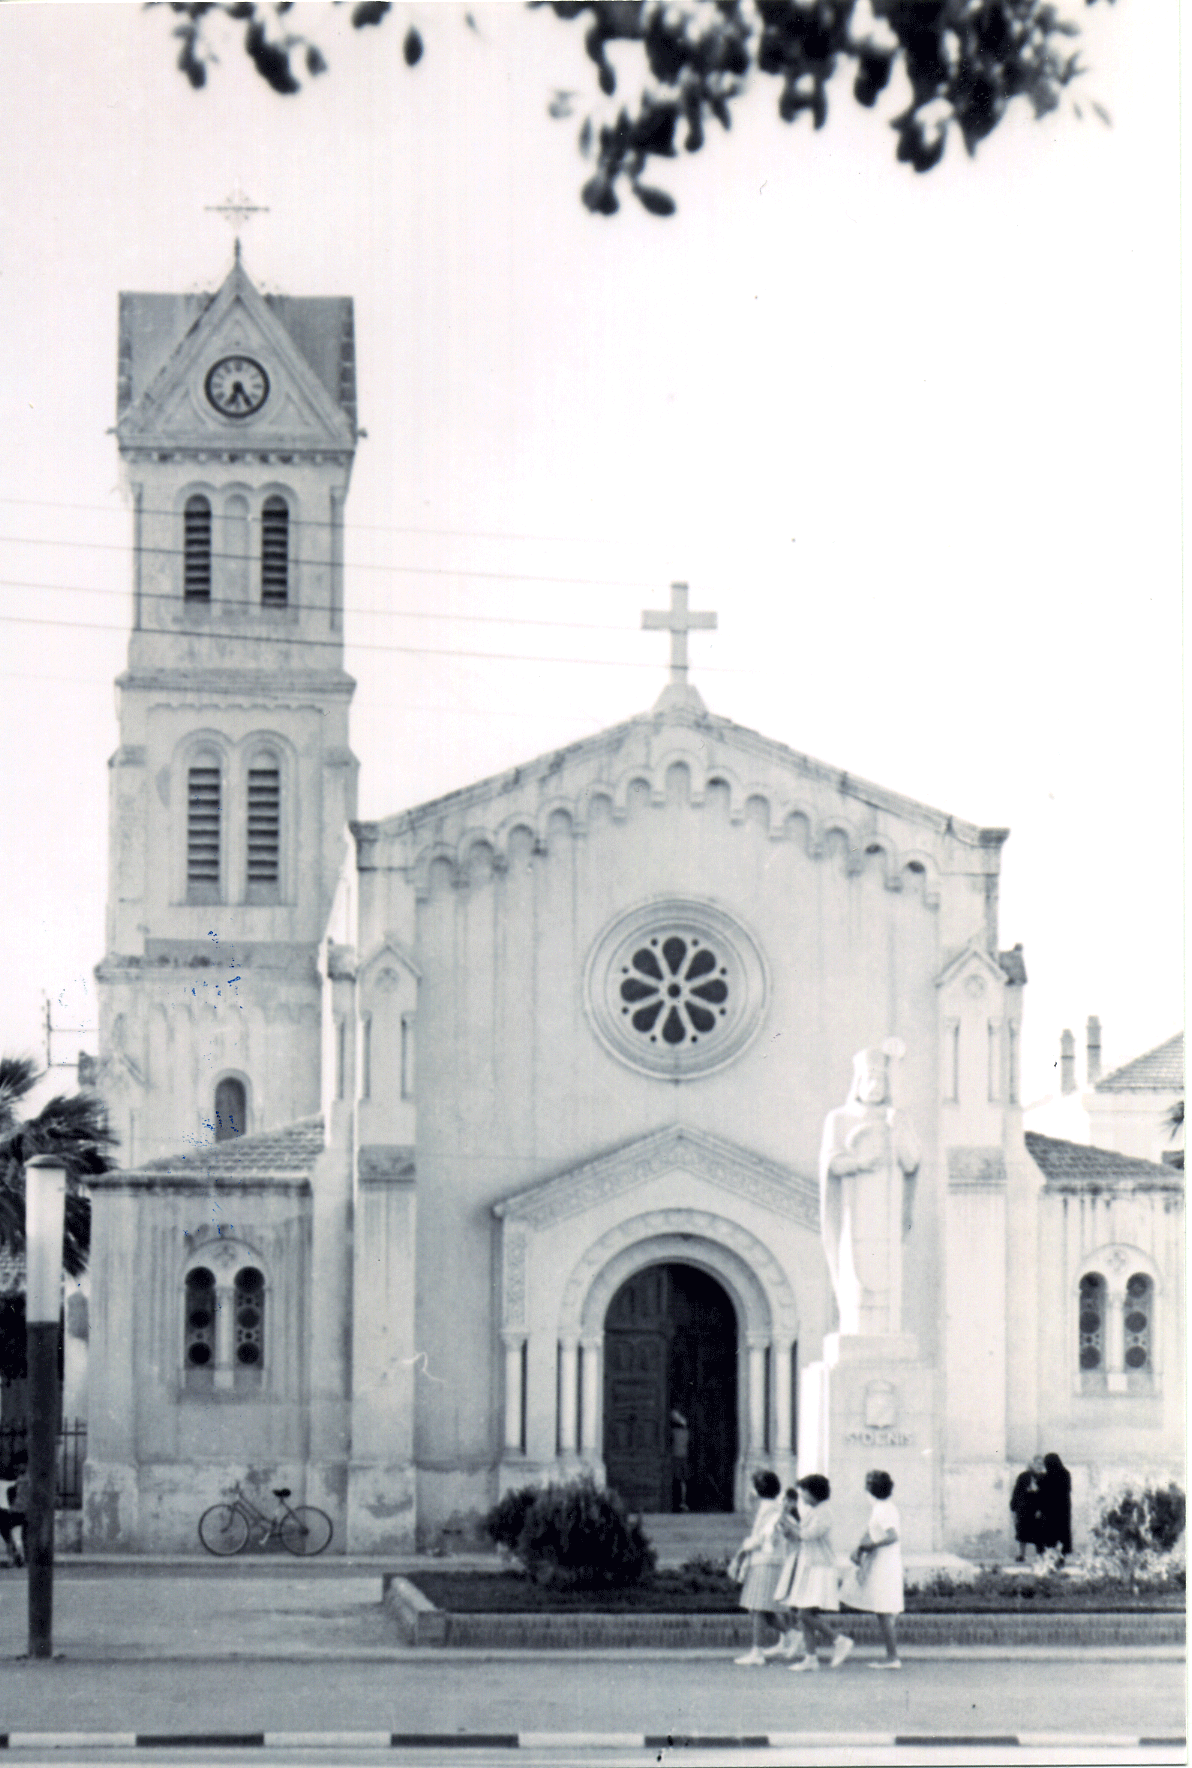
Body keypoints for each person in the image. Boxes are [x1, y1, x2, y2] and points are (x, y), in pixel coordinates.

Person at [772, 1475, 853, 1671]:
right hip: (809, 1565)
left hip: (820, 1567)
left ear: (814, 1492)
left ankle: (839, 1640)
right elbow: (798, 1534)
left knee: (805, 1613)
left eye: (804, 1492)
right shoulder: (813, 1511)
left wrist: (786, 1520)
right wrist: (784, 1522)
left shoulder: (824, 1513)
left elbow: (806, 1534)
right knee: (802, 1613)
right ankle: (811, 1657)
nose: (801, 1495)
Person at [840, 1469, 904, 1669]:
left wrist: (870, 1546)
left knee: (884, 1611)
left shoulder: (884, 1509)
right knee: (882, 1611)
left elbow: (892, 1536)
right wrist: (860, 1548)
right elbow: (870, 1531)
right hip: (882, 1563)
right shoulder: (881, 1507)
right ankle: (891, 1656)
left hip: (885, 1564)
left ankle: (892, 1657)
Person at [728, 1469, 789, 1665]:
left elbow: (762, 1536)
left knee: (758, 1607)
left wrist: (743, 1550)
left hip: (766, 1561)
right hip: (765, 1561)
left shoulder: (769, 1508)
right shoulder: (769, 1507)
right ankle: (794, 1636)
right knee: (760, 1609)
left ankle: (757, 1651)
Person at [1010, 1456, 1046, 1561]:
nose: (1039, 1466)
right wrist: (1014, 1508)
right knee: (1022, 1532)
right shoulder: (1023, 1476)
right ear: (1032, 1464)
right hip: (1024, 1509)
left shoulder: (1044, 1478)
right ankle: (1021, 1555)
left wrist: (1042, 1509)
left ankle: (1040, 1556)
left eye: (1041, 1464)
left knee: (1039, 1534)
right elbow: (1016, 1492)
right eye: (1037, 1464)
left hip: (1038, 1510)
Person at [1037, 1453, 1072, 1560]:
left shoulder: (1045, 1476)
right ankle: (1062, 1555)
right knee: (1063, 1531)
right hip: (1063, 1508)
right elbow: (1068, 1489)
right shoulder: (1066, 1474)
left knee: (1049, 1533)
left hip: (1049, 1509)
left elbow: (1041, 1491)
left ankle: (1050, 1556)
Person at [670, 1409, 690, 1513]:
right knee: (680, 1481)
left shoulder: (675, 1432)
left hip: (677, 1458)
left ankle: (680, 1503)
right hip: (680, 1457)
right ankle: (681, 1503)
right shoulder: (684, 1432)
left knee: (679, 1481)